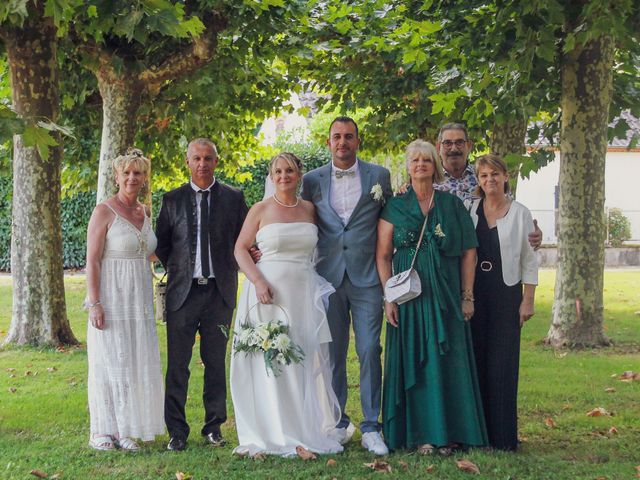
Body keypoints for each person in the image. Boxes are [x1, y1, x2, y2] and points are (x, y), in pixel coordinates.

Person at [376, 139, 488, 454]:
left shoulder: (451, 205)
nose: (421, 165)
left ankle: (450, 432)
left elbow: (469, 252)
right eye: (415, 161)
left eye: (427, 160)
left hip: (446, 295)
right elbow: (383, 255)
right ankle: (420, 434)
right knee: (417, 361)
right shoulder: (395, 206)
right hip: (409, 299)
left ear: (434, 166)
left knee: (447, 361)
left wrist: (468, 296)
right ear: (408, 167)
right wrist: (388, 298)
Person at [231, 153, 343, 457]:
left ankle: (302, 427)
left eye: (289, 170)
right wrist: (257, 281)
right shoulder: (260, 209)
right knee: (272, 360)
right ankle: (269, 430)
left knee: (302, 358)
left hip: (303, 293)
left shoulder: (310, 209)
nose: (284, 176)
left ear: (299, 174)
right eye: (278, 171)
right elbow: (241, 249)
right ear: (271, 175)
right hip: (268, 292)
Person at [300, 117, 393, 455]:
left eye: (349, 137)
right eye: (336, 137)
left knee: (370, 350)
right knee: (332, 354)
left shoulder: (379, 176)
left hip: (368, 277)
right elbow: (298, 218)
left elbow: (390, 218)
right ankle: (338, 423)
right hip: (328, 278)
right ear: (329, 143)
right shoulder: (311, 180)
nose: (343, 142)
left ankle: (371, 425)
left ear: (358, 141)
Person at [155, 138, 248, 451]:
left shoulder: (234, 199)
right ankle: (176, 432)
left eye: (208, 158)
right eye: (197, 158)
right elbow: (163, 245)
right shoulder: (172, 200)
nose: (203, 164)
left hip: (219, 293)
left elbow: (245, 240)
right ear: (187, 161)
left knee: (215, 362)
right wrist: (182, 269)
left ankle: (213, 427)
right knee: (178, 364)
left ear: (216, 162)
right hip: (183, 294)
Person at [85, 148, 164, 451]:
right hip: (111, 294)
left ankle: (126, 429)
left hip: (139, 295)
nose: (132, 178)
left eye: (138, 173)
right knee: (109, 360)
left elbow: (148, 251)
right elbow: (92, 260)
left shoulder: (144, 211)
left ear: (145, 178)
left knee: (132, 359)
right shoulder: (104, 211)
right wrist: (94, 303)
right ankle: (102, 431)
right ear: (116, 176)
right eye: (127, 173)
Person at [467, 154, 538, 451]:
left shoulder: (520, 212)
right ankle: (480, 435)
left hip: (506, 292)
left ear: (505, 176)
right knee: (478, 362)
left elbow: (530, 259)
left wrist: (528, 299)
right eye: (483, 176)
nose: (489, 180)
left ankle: (504, 438)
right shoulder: (470, 209)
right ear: (479, 181)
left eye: (494, 174)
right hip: (475, 292)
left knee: (503, 364)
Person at [435, 122, 543, 248]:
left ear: (469, 145)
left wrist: (532, 232)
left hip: (482, 255)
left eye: (459, 142)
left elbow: (510, 213)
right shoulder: (428, 181)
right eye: (447, 143)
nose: (454, 148)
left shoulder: (485, 177)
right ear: (438, 148)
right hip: (442, 256)